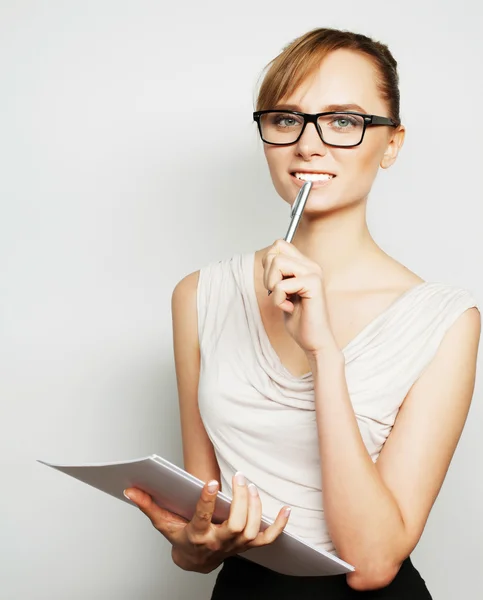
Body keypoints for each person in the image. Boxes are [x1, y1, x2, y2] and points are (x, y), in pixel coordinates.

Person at [123, 27, 481, 598]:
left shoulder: (445, 319)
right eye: (287, 119)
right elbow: (205, 516)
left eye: (344, 121)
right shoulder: (198, 296)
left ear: (391, 143)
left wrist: (325, 353)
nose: (308, 145)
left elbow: (371, 566)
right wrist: (191, 547)